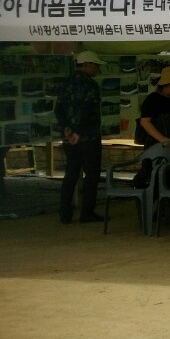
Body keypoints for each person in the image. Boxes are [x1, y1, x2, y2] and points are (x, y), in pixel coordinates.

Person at [54, 50, 105, 223]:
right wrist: (79, 132)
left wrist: (66, 129)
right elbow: (88, 110)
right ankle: (87, 212)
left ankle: (65, 213)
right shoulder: (90, 85)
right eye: (96, 65)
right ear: (87, 64)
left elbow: (58, 109)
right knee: (92, 175)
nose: (97, 69)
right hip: (89, 137)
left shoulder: (66, 83)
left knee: (71, 174)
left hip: (69, 138)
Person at [136, 65, 170, 187]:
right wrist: (162, 139)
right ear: (165, 85)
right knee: (157, 182)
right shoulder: (152, 99)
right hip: (157, 148)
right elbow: (145, 122)